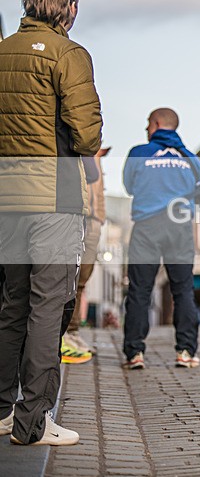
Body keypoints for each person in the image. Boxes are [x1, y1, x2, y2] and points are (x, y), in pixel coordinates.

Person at [0, 0, 102, 446]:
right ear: (70, 6)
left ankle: (2, 411)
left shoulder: (2, 53)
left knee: (12, 304)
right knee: (49, 307)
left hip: (7, 199)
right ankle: (33, 422)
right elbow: (87, 135)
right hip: (56, 198)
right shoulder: (69, 54)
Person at [122, 108, 200, 370]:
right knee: (183, 291)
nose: (146, 130)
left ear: (157, 124)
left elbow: (129, 186)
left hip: (147, 227)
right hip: (179, 227)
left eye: (148, 124)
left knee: (140, 291)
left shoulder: (138, 153)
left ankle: (135, 353)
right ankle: (185, 352)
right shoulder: (190, 158)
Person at [63, 147, 111, 361]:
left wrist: (100, 217)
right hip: (76, 216)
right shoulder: (76, 148)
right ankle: (64, 333)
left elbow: (99, 191)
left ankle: (72, 332)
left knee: (82, 280)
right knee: (67, 279)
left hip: (93, 221)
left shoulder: (96, 156)